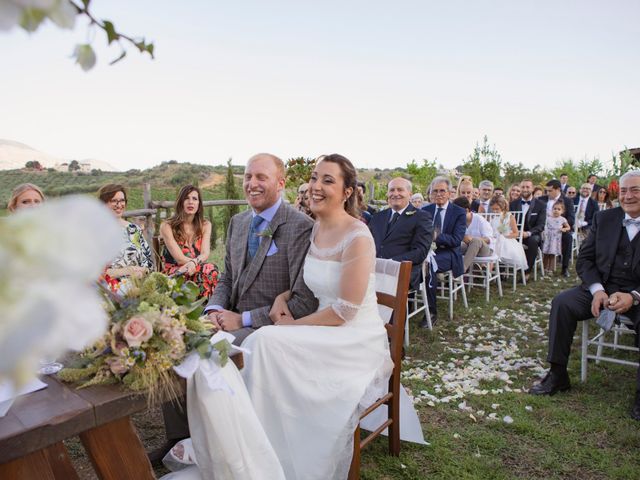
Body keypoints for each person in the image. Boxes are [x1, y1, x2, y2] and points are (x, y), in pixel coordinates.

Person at [163, 154, 424, 479]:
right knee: (204, 343)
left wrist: (284, 323)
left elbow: (343, 309)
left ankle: (252, 442)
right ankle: (209, 437)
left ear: (347, 191)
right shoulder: (311, 227)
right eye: (315, 178)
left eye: (328, 180)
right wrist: (221, 309)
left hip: (349, 334)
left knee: (263, 342)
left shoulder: (350, 234)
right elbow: (259, 281)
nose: (316, 186)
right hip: (312, 322)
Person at [157, 155, 318, 461]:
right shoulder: (238, 222)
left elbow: (302, 300)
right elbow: (228, 277)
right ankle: (181, 437)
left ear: (281, 184)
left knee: (206, 358)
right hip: (225, 318)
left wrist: (241, 319)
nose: (251, 184)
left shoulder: (300, 227)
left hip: (266, 328)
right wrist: (211, 311)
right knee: (173, 344)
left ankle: (221, 444)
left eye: (261, 177)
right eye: (247, 177)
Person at [529, 170, 640, 421]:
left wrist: (633, 296)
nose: (629, 196)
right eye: (624, 191)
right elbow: (586, 260)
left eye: (635, 190)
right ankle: (557, 375)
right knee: (562, 303)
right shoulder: (605, 218)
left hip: (637, 294)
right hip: (601, 287)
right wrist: (597, 289)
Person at [369, 177, 433, 326]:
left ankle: (391, 338)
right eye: (392, 190)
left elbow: (420, 252)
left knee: (385, 284)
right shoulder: (378, 217)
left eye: (400, 189)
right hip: (374, 268)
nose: (395, 193)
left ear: (409, 194)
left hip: (404, 270)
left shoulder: (421, 217)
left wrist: (390, 264)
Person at [160, 185, 220, 299]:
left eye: (194, 199)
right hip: (176, 272)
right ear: (180, 202)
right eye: (186, 198)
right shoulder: (167, 226)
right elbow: (180, 259)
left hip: (196, 269)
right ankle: (208, 310)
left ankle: (210, 310)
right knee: (209, 271)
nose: (190, 202)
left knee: (211, 270)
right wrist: (194, 263)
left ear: (199, 204)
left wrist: (194, 263)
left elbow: (205, 254)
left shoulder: (205, 225)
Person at [422, 176, 466, 323]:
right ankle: (408, 303)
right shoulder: (425, 210)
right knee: (410, 262)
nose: (438, 194)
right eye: (435, 191)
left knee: (427, 266)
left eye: (442, 191)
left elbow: (456, 240)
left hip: (449, 253)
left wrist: (436, 236)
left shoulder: (458, 212)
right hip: (427, 251)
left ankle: (431, 311)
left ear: (449, 193)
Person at [98, 184, 153, 289]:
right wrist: (127, 271)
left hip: (139, 287)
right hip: (110, 291)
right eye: (114, 201)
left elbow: (148, 265)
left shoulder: (134, 229)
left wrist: (142, 272)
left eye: (122, 200)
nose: (119, 205)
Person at [509, 179, 546, 279]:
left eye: (527, 187)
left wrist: (528, 233)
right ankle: (504, 270)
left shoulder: (541, 205)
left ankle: (527, 271)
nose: (525, 189)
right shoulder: (512, 204)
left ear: (532, 188)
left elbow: (541, 225)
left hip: (531, 234)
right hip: (515, 233)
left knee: (533, 241)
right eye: (523, 187)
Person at [538, 179, 575, 277]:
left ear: (558, 189)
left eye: (550, 191)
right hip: (543, 228)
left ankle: (564, 268)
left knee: (568, 237)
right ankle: (541, 266)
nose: (547, 193)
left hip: (559, 229)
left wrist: (560, 227)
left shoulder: (567, 201)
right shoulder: (542, 199)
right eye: (547, 191)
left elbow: (571, 219)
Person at [452, 196, 493, 272]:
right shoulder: (457, 221)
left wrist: (471, 239)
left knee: (475, 240)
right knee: (456, 245)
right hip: (468, 249)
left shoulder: (479, 219)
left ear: (466, 210)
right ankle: (445, 271)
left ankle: (461, 270)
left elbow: (489, 239)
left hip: (484, 250)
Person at [489, 196, 527, 269]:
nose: (495, 211)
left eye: (497, 209)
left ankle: (488, 271)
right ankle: (488, 269)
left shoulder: (509, 217)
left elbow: (516, 233)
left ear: (502, 207)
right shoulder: (492, 217)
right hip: (494, 239)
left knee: (498, 242)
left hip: (507, 241)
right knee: (491, 244)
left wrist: (505, 236)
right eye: (493, 209)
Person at [542, 202, 571, 274]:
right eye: (554, 209)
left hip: (555, 238)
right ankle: (544, 268)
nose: (556, 210)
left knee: (552, 254)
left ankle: (550, 269)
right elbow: (544, 226)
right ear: (552, 209)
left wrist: (564, 229)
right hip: (548, 237)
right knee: (546, 253)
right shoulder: (548, 218)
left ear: (562, 211)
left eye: (559, 209)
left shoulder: (562, 219)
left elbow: (568, 227)